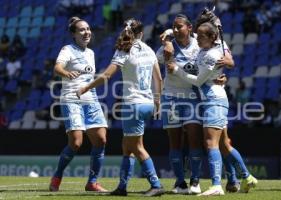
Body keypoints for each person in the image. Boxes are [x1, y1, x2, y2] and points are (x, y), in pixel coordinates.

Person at [163, 9, 258, 194]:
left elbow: (229, 60)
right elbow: (172, 32)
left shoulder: (215, 45)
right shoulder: (202, 41)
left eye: (199, 33)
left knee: (219, 142)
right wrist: (167, 37)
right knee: (221, 143)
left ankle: (229, 180)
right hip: (203, 97)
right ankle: (243, 177)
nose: (196, 37)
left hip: (212, 97)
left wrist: (222, 74)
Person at [77, 18, 164, 197]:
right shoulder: (149, 50)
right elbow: (159, 79)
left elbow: (107, 76)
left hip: (133, 104)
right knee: (127, 146)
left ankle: (156, 184)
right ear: (141, 33)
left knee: (137, 147)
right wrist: (157, 102)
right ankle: (122, 187)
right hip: (147, 104)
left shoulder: (124, 49)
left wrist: (86, 87)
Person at [49, 17, 108, 192]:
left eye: (88, 29)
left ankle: (92, 182)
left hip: (91, 99)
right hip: (71, 98)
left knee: (101, 140)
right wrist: (67, 73)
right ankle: (57, 175)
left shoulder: (91, 53)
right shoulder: (67, 49)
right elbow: (57, 68)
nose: (86, 32)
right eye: (81, 30)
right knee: (76, 143)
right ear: (74, 34)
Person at [156, 14, 205, 195]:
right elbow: (158, 59)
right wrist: (167, 40)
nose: (176, 30)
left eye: (180, 27)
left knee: (194, 140)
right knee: (175, 144)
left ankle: (195, 180)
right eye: (174, 27)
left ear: (189, 27)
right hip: (170, 98)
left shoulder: (199, 45)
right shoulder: (167, 46)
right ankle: (179, 182)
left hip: (193, 98)